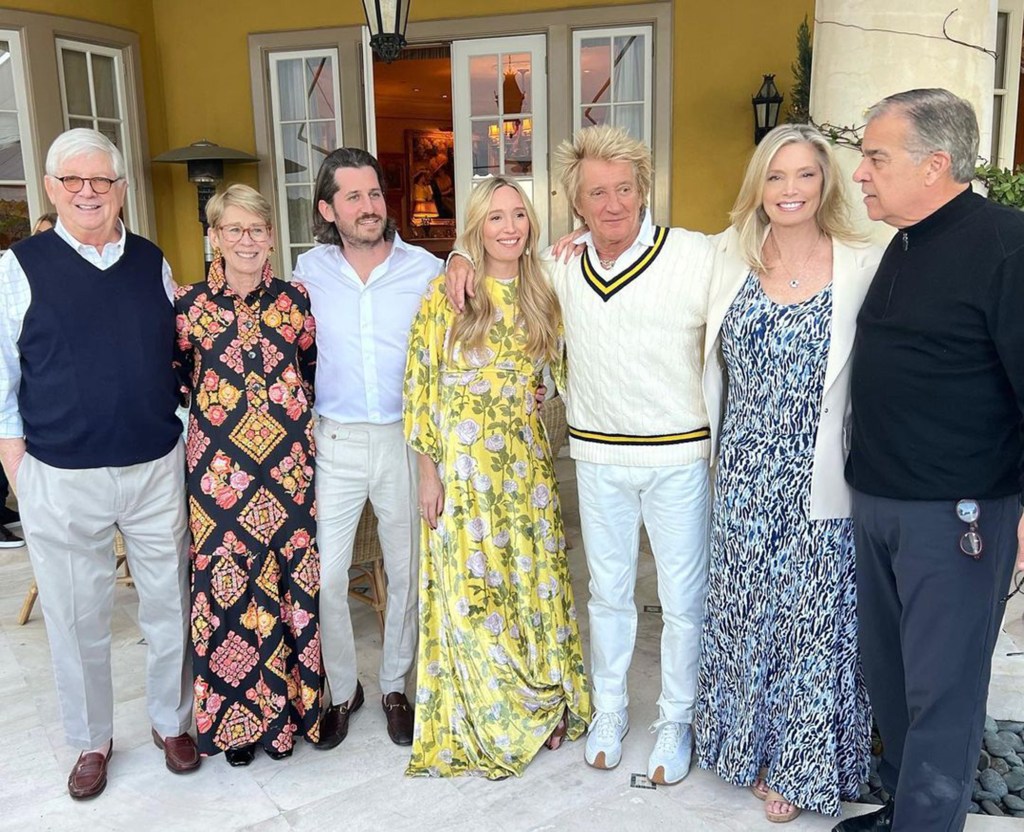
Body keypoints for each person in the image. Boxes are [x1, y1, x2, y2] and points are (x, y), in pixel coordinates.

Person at [448, 124, 716, 785]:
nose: (614, 203)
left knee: (684, 600)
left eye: (624, 188)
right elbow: (496, 266)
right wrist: (455, 258)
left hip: (679, 457)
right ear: (578, 203)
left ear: (643, 189)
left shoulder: (695, 255)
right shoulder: (560, 267)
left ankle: (677, 720)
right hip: (598, 458)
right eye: (598, 193)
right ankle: (611, 709)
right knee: (609, 595)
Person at [834, 88, 1024, 832]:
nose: (861, 175)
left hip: (958, 514)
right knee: (893, 677)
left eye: (876, 158)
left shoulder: (1006, 245)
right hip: (878, 503)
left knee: (942, 689)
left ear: (935, 164)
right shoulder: (903, 241)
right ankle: (901, 809)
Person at [0, 128, 198, 800]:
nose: (88, 191)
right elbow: (2, 381)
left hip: (152, 467)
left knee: (169, 601)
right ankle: (91, 739)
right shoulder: (17, 268)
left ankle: (173, 723)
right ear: (52, 189)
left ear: (120, 191)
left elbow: (177, 356)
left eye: (102, 181)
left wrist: (180, 428)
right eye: (73, 181)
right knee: (76, 614)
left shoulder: (152, 261)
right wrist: (17, 472)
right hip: (60, 473)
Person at [697, 124, 879, 823]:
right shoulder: (724, 255)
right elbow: (627, 242)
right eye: (777, 177)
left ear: (825, 183)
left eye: (805, 175)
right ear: (758, 187)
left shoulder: (865, 260)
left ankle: (802, 767)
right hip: (742, 473)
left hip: (820, 471)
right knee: (746, 617)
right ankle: (743, 746)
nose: (791, 190)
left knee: (811, 621)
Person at [403, 176, 591, 778]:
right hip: (463, 473)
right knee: (473, 588)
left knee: (530, 581)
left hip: (526, 469)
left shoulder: (545, 289)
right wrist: (428, 475)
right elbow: (420, 386)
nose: (510, 228)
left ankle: (542, 696)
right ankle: (492, 707)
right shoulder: (447, 294)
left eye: (519, 216)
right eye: (496, 218)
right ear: (476, 228)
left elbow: (563, 369)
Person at [293, 147, 443, 750]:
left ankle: (395, 685)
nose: (368, 207)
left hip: (407, 440)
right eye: (353, 197)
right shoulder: (307, 272)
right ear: (328, 208)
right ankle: (342, 689)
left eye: (375, 194)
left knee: (407, 570)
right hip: (335, 441)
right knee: (326, 576)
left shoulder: (426, 269)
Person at [174, 184, 321, 766]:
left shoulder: (295, 299)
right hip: (218, 476)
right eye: (233, 229)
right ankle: (238, 728)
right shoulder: (187, 306)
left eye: (257, 229)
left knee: (289, 588)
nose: (246, 240)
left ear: (271, 236)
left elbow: (307, 371)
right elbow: (180, 379)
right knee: (228, 590)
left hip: (287, 471)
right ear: (214, 235)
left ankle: (287, 721)